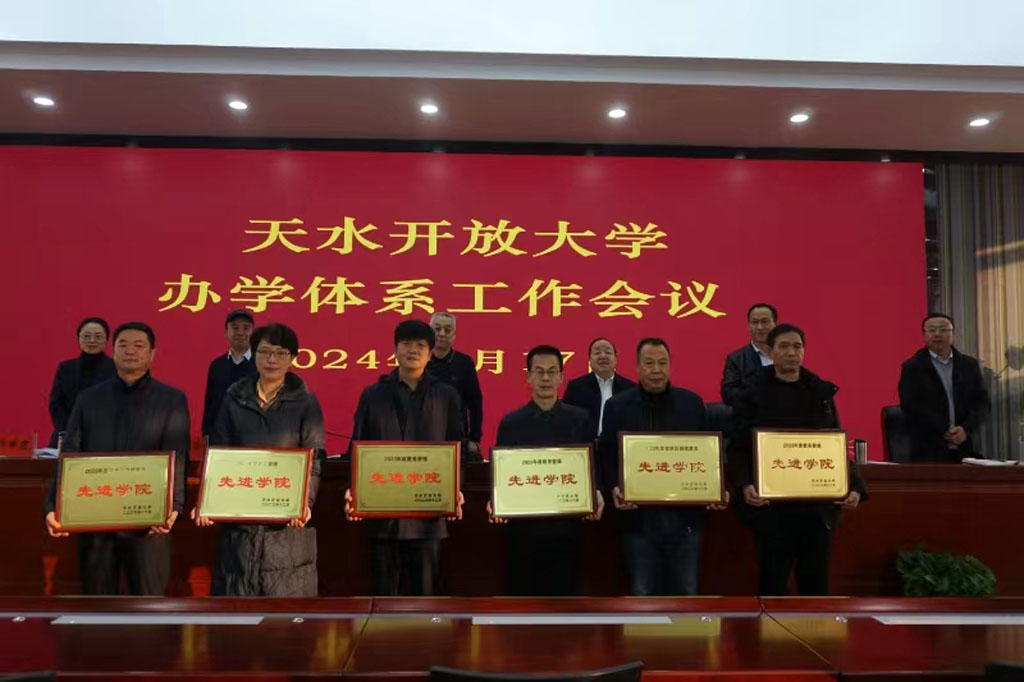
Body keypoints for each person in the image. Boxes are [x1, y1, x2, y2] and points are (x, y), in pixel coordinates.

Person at [43, 322, 189, 595]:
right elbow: (70, 453)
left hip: (148, 521)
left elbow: (177, 455)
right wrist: (54, 504)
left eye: (138, 345)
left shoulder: (171, 399)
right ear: (113, 351)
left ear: (152, 353)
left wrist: (175, 505)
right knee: (97, 604)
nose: (130, 351)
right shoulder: (89, 399)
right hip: (97, 519)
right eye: (123, 345)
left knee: (149, 602)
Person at [728, 323, 867, 596]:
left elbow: (833, 446)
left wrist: (855, 486)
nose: (791, 353)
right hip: (771, 508)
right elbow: (737, 448)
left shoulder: (820, 393)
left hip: (815, 507)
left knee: (816, 586)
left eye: (797, 346)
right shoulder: (751, 393)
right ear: (770, 351)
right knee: (772, 585)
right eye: (784, 346)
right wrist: (745, 484)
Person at [194, 323, 325, 596]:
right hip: (240, 523)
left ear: (292, 358)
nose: (272, 359)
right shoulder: (234, 399)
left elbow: (314, 459)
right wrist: (207, 501)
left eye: (280, 353)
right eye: (265, 352)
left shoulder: (306, 403)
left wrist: (305, 503)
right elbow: (219, 453)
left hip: (285, 528)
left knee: (283, 610)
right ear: (254, 355)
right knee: (238, 607)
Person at [598, 338, 727, 596]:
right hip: (638, 520)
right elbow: (607, 455)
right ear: (637, 367)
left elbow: (708, 453)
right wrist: (614, 487)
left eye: (662, 363)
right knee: (642, 593)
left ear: (670, 366)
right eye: (649, 363)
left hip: (685, 519)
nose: (656, 369)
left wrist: (716, 487)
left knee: (686, 593)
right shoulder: (617, 406)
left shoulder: (692, 403)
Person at [345, 320, 465, 596]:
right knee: (382, 598)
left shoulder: (445, 395)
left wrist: (455, 489)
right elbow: (358, 446)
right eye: (406, 344)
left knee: (425, 599)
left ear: (430, 353)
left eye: (420, 345)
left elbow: (457, 448)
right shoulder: (373, 395)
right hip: (382, 515)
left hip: (428, 518)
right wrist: (354, 489)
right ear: (395, 349)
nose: (413, 350)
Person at [487, 345, 604, 595]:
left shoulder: (580, 419)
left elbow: (591, 465)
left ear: (561, 377)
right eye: (539, 372)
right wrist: (496, 499)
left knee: (565, 601)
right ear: (528, 377)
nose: (546, 378)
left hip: (566, 529)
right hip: (523, 532)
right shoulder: (511, 423)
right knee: (523, 602)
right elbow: (502, 473)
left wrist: (596, 491)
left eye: (552, 372)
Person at [898, 314, 991, 462]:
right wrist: (944, 430)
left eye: (943, 329)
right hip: (928, 450)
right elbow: (911, 406)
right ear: (923, 335)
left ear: (953, 333)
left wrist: (965, 429)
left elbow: (982, 403)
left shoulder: (969, 365)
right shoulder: (913, 367)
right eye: (931, 330)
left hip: (965, 447)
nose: (937, 334)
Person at [47, 317, 116, 448]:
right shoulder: (65, 368)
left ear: (107, 339)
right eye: (86, 336)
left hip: (106, 438)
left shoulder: (117, 368)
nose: (92, 340)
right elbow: (56, 403)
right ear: (79, 338)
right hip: (67, 436)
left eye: (98, 336)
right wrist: (68, 430)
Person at [426, 311, 484, 461]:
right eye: (437, 329)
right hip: (423, 438)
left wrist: (475, 439)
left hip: (457, 439)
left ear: (454, 335)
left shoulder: (464, 363)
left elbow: (475, 404)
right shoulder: (419, 360)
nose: (442, 334)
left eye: (447, 330)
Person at [562, 337, 636, 440]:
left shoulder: (630, 388)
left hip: (618, 445)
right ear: (589, 360)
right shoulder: (576, 387)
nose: (603, 356)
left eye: (608, 352)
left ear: (615, 358)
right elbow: (566, 420)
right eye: (597, 353)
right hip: (586, 445)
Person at [201, 309, 258, 437]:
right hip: (220, 435)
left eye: (246, 328)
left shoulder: (261, 364)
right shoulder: (217, 365)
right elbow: (210, 403)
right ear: (226, 333)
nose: (240, 333)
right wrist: (207, 433)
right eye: (235, 328)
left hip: (253, 436)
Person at [721, 303, 777, 407]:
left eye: (764, 322)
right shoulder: (736, 359)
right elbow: (728, 395)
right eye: (755, 322)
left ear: (775, 324)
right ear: (749, 326)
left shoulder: (786, 354)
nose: (760, 327)